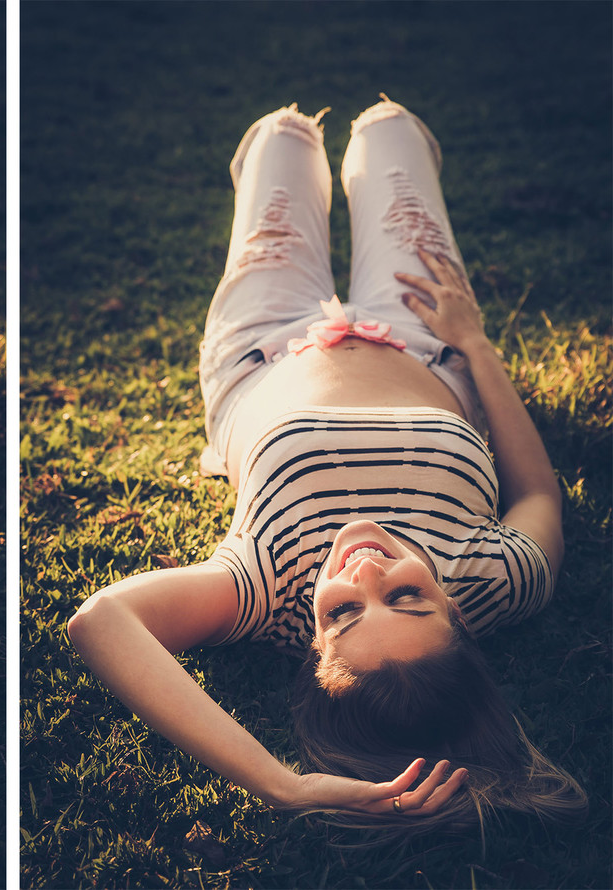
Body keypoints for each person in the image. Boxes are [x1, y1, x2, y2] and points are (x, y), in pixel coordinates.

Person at [67, 96, 585, 834]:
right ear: (458, 617)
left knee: (282, 135)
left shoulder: (269, 591)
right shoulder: (493, 577)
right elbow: (538, 492)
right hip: (425, 337)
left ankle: (290, 138)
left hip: (263, 346)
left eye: (342, 614)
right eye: (409, 600)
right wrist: (473, 342)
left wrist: (279, 784)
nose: (365, 573)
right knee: (390, 129)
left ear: (311, 645)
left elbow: (100, 621)